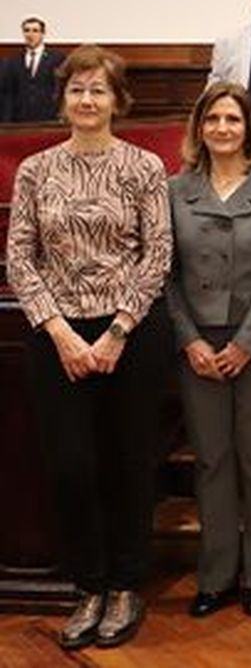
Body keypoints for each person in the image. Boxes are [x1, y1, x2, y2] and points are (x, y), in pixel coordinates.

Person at [6, 45, 172, 650]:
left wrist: (117, 330)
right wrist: (61, 332)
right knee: (72, 467)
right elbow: (21, 256)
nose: (87, 100)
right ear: (62, 99)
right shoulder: (36, 170)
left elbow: (157, 253)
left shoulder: (144, 167)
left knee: (128, 461)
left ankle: (127, 585)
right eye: (77, 89)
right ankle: (89, 585)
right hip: (57, 336)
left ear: (117, 101)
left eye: (98, 90)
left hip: (130, 334)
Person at [167, 82, 251, 620]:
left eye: (233, 120)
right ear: (199, 128)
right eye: (213, 119)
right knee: (211, 459)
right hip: (196, 343)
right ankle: (217, 573)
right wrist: (191, 340)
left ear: (250, 128)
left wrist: (246, 342)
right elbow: (165, 275)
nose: (223, 128)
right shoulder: (175, 191)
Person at [2, 16, 66, 122]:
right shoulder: (12, 61)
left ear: (43, 34)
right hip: (19, 119)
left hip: (48, 117)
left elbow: (60, 89)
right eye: (26, 30)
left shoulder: (57, 59)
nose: (30, 35)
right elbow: (8, 93)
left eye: (35, 31)